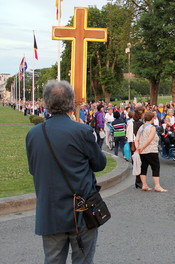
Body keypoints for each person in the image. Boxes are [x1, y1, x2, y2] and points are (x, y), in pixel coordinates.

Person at [26, 80, 107, 264]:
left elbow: (34, 170)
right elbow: (99, 163)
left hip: (50, 210)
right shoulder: (82, 131)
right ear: (72, 103)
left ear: (46, 104)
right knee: (83, 259)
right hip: (81, 209)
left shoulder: (33, 134)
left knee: (53, 260)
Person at [135, 111, 167, 192]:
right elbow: (150, 139)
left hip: (142, 152)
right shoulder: (152, 128)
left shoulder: (141, 127)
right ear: (152, 118)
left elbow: (137, 139)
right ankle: (157, 185)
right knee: (155, 167)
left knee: (143, 167)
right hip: (151, 150)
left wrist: (138, 147)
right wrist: (142, 147)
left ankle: (144, 185)